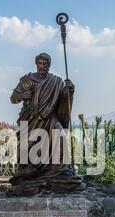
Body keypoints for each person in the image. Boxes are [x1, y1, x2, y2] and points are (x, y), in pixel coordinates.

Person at [10, 53, 84, 193]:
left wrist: (69, 91)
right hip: (31, 119)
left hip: (50, 118)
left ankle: (61, 171)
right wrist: (21, 96)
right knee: (27, 147)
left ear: (49, 66)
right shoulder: (27, 80)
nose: (43, 66)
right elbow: (13, 98)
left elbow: (63, 99)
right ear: (36, 64)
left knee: (60, 135)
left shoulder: (56, 81)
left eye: (46, 64)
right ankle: (27, 173)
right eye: (40, 63)